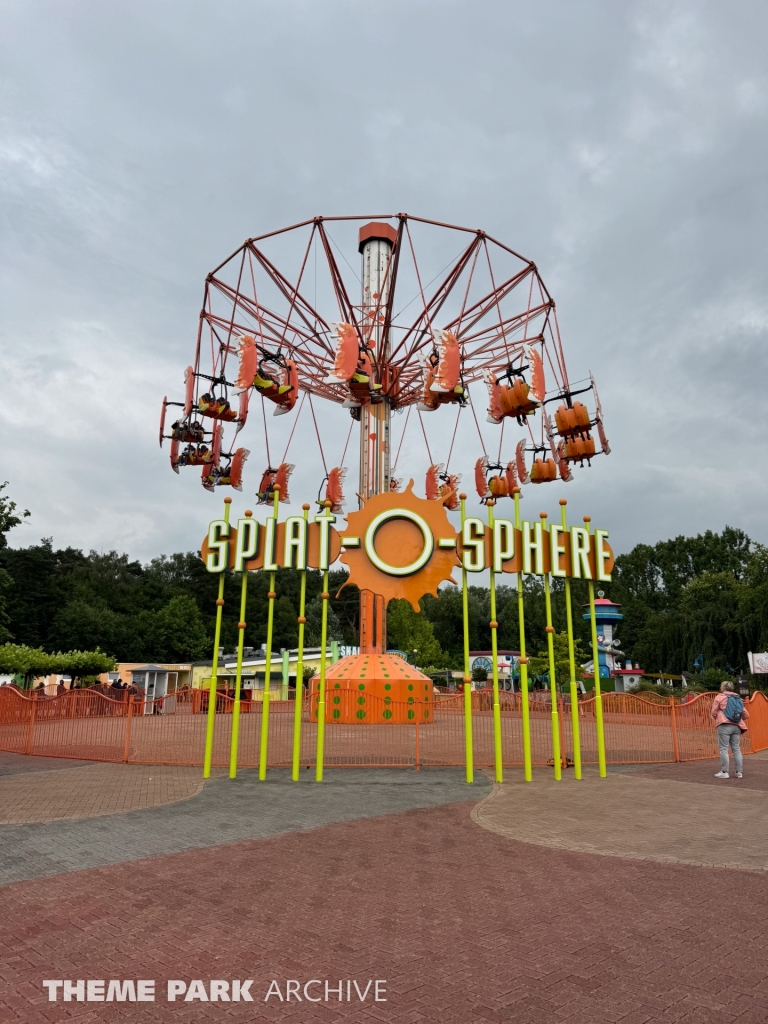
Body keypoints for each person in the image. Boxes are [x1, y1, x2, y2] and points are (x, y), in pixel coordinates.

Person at [711, 681, 749, 779]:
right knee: (736, 749)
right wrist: (736, 719)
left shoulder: (720, 697)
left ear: (723, 688)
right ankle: (739, 772)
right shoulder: (738, 699)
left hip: (724, 725)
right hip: (737, 726)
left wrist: (719, 718)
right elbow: (746, 714)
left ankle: (724, 772)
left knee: (724, 748)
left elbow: (713, 712)